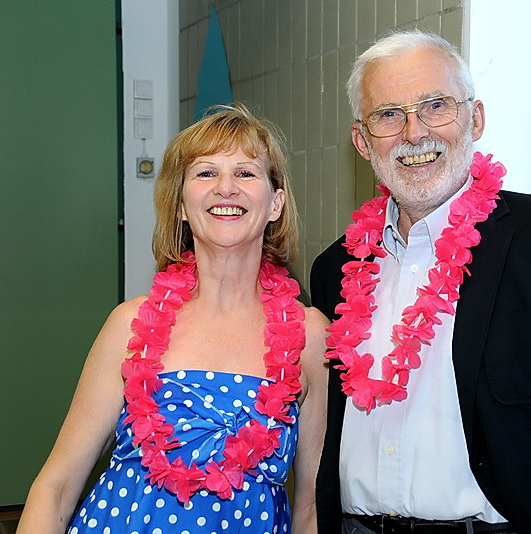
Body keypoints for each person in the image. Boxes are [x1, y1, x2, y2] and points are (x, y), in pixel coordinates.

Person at [310, 30, 531, 534]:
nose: (414, 133)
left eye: (435, 106)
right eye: (389, 115)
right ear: (362, 141)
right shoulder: (334, 269)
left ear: (476, 118)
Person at [18, 104, 328, 534]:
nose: (225, 188)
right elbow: (56, 486)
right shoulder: (131, 325)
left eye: (245, 173)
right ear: (181, 205)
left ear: (275, 203)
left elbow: (311, 506)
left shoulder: (310, 335)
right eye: (205, 173)